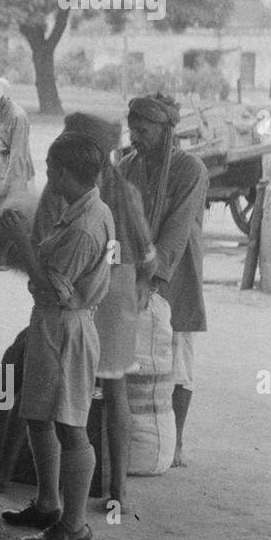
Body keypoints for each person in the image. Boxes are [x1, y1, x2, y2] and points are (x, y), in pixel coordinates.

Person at [0, 133, 114, 540]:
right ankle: (48, 503)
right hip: (53, 325)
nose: (48, 178)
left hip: (66, 327)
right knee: (39, 416)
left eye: (50, 171)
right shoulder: (84, 210)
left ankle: (74, 524)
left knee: (70, 426)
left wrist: (22, 242)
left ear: (65, 172)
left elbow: (49, 287)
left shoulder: (85, 226)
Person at [119, 92, 208, 468]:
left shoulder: (191, 170)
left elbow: (177, 229)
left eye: (143, 130)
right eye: (132, 129)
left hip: (176, 272)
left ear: (166, 130)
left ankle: (178, 441)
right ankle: (133, 438)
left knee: (177, 356)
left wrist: (153, 274)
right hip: (134, 271)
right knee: (131, 359)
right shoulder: (125, 165)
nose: (135, 137)